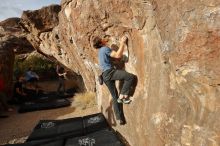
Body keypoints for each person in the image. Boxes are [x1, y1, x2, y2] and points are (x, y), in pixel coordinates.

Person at [93, 36, 135, 124]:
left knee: (114, 96)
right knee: (129, 77)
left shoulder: (100, 52)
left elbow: (108, 61)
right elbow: (118, 55)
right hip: (109, 73)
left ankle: (120, 119)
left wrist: (114, 63)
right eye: (102, 39)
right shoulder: (104, 48)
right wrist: (122, 42)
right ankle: (122, 96)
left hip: (105, 76)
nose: (104, 39)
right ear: (101, 43)